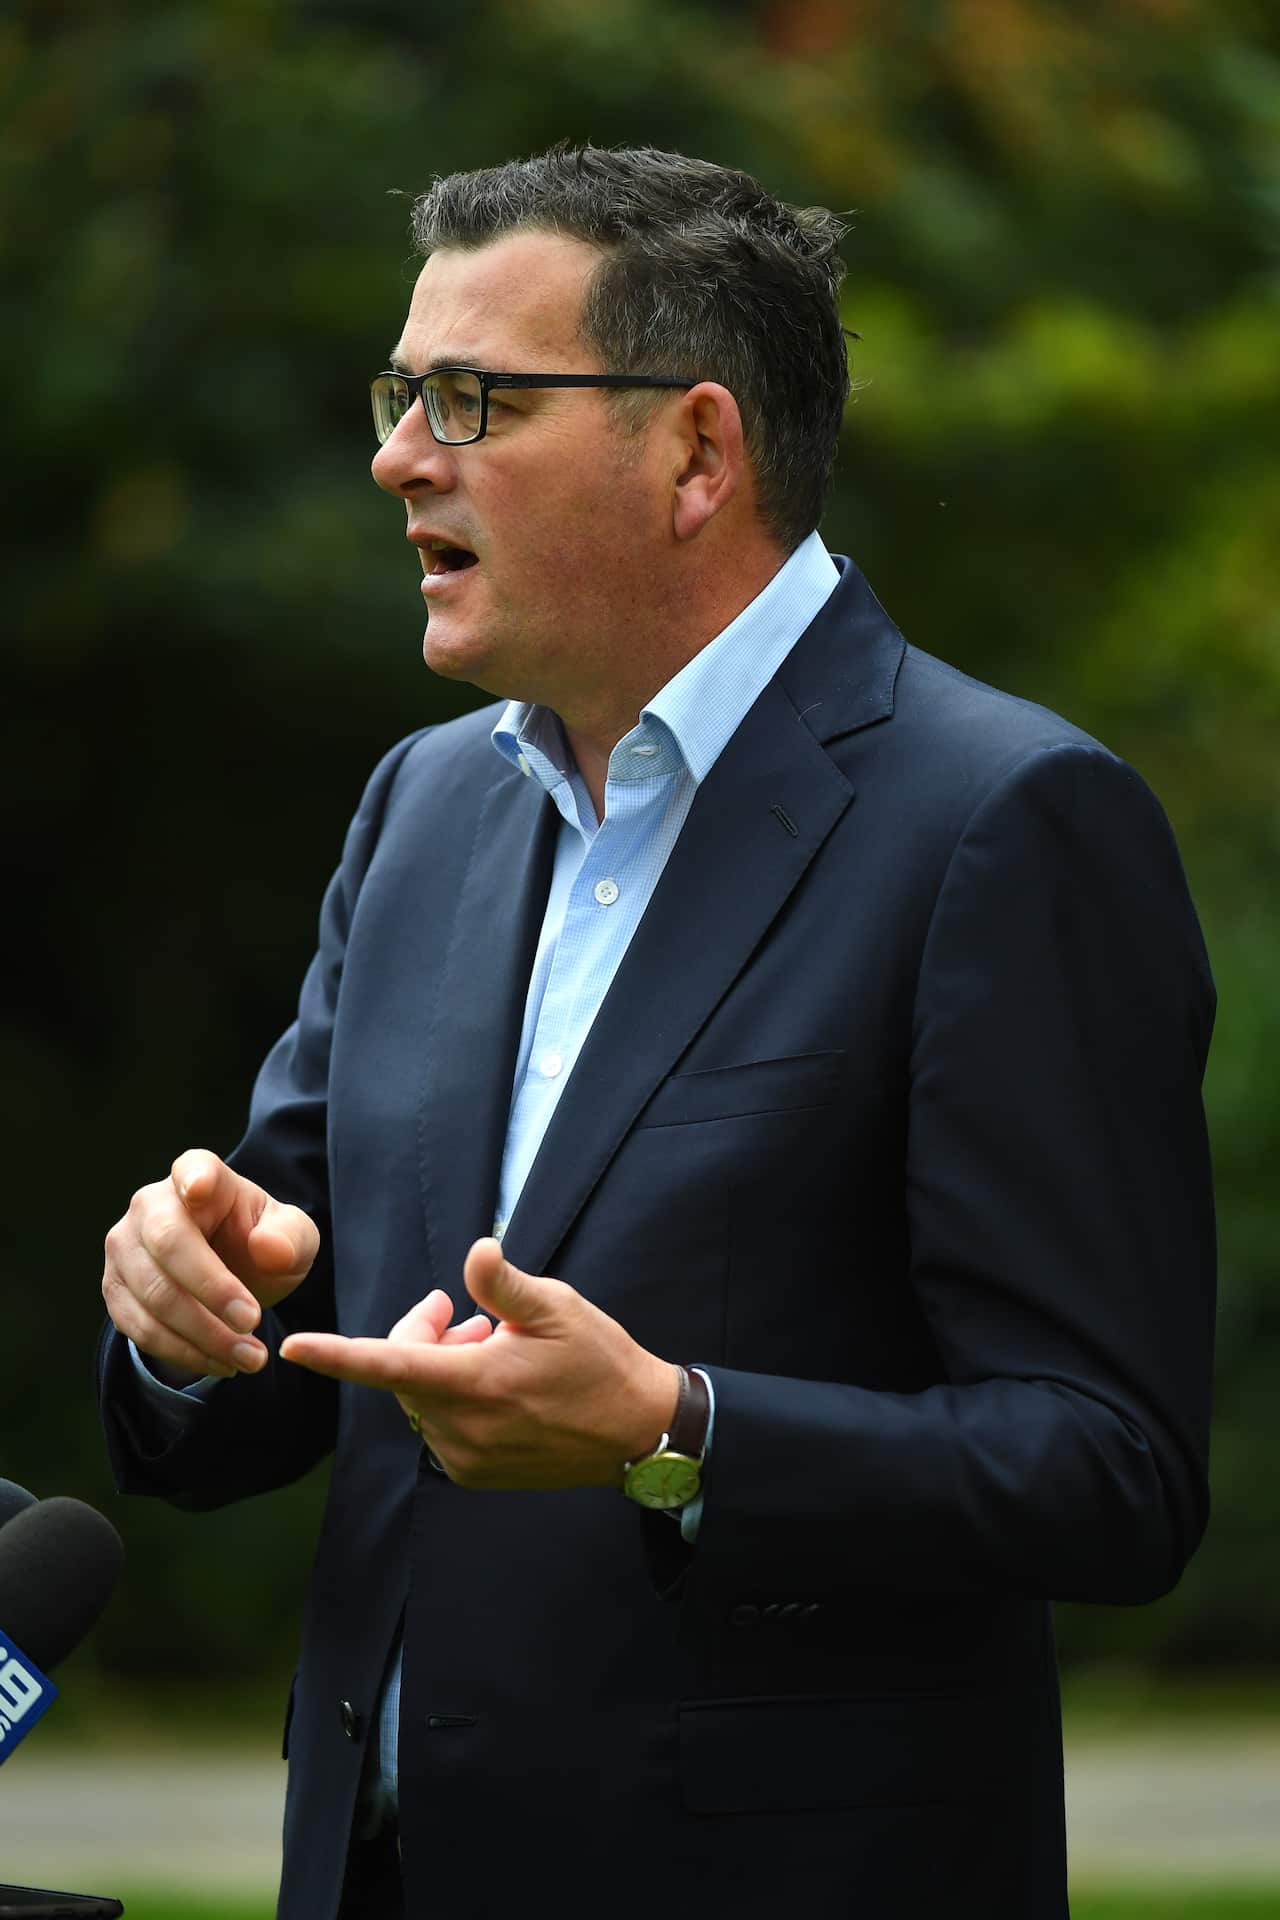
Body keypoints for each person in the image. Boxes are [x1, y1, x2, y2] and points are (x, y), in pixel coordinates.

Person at [96, 146, 1217, 1920]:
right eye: (401, 394)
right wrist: (190, 1309)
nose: (397, 456)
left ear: (698, 452)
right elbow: (282, 1336)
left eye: (471, 400)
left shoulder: (1006, 821)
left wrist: (672, 1431)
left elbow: (1111, 1475)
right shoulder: (425, 808)